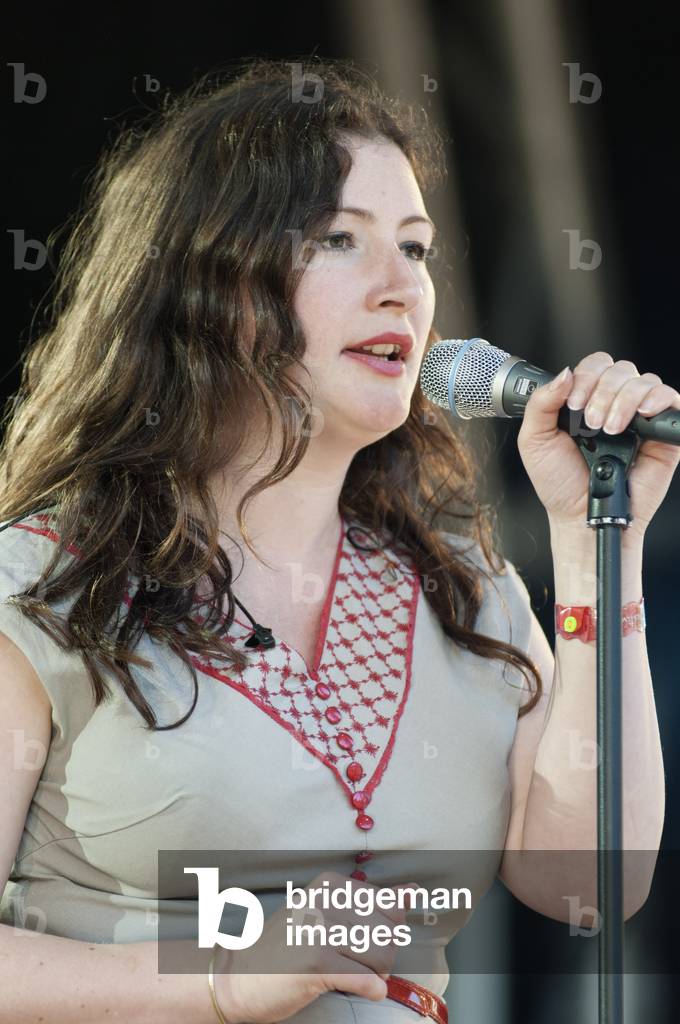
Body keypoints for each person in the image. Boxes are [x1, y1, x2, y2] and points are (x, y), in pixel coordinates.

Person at [0, 56, 675, 1024]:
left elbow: (583, 886)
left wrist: (591, 542)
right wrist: (224, 980)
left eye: (416, 245)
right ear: (206, 282)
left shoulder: (460, 586)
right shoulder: (38, 586)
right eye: (337, 240)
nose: (401, 285)